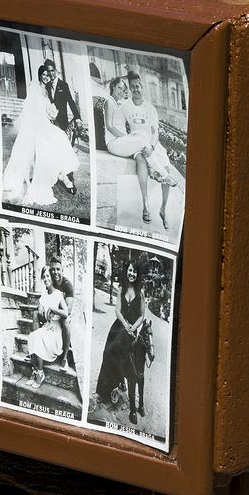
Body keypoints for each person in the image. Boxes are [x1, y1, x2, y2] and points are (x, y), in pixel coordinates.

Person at [101, 73, 179, 227]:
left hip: (151, 143)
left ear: (142, 88)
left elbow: (155, 132)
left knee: (167, 166)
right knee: (141, 159)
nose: (135, 90)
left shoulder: (150, 108)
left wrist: (152, 146)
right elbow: (113, 123)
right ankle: (146, 204)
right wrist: (126, 138)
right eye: (132, 87)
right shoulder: (124, 105)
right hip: (135, 142)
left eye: (138, 86)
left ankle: (163, 208)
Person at [3, 59, 80, 207]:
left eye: (48, 74)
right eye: (43, 74)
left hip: (46, 122)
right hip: (36, 123)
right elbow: (30, 109)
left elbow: (62, 103)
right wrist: (42, 118)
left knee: (60, 137)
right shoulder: (34, 88)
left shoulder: (49, 88)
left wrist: (52, 113)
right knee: (49, 142)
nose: (46, 76)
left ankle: (64, 175)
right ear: (39, 76)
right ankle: (60, 176)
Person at [95, 256, 151, 425]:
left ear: (137, 273)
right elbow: (117, 312)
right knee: (110, 351)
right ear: (127, 271)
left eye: (134, 271)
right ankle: (109, 387)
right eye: (130, 270)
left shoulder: (140, 292)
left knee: (130, 355)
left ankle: (123, 381)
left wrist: (132, 328)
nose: (132, 273)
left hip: (133, 328)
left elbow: (142, 316)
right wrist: (125, 325)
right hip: (119, 327)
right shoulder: (121, 288)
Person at [45, 257, 77, 371]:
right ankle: (36, 352)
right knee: (36, 314)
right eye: (52, 269)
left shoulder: (67, 285)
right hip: (52, 314)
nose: (55, 272)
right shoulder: (49, 282)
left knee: (66, 322)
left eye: (58, 269)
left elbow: (68, 311)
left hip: (62, 314)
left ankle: (64, 359)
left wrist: (54, 310)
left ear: (62, 269)